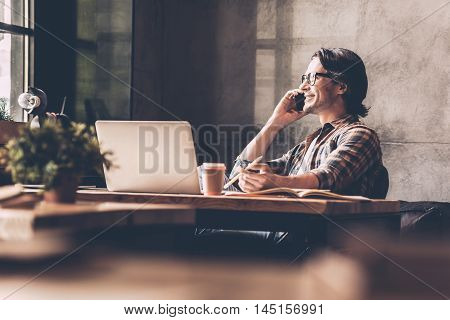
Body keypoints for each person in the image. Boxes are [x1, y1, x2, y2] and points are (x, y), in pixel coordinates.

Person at [231, 48, 387, 198]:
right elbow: (238, 175)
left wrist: (276, 182)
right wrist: (274, 123)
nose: (303, 87)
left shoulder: (360, 135)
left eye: (312, 78)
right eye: (304, 79)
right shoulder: (305, 146)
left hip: (327, 225)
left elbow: (327, 178)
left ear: (341, 86)